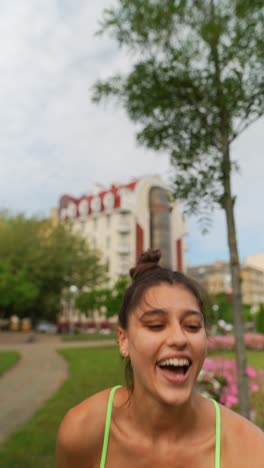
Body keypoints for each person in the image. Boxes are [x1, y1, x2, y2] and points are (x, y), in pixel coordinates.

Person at [56, 249, 264, 468]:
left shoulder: (251, 449)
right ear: (124, 340)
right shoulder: (81, 432)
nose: (179, 338)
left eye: (192, 326)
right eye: (156, 325)